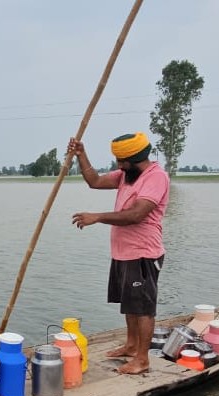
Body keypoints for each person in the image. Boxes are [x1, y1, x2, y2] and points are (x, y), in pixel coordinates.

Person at [68, 132, 170, 375]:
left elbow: (136, 214)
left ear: (136, 159)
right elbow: (94, 181)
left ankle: (142, 359)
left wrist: (98, 217)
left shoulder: (156, 177)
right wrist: (81, 155)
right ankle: (132, 346)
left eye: (122, 161)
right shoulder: (126, 176)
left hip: (143, 253)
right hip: (123, 253)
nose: (119, 166)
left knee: (143, 307)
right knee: (130, 304)